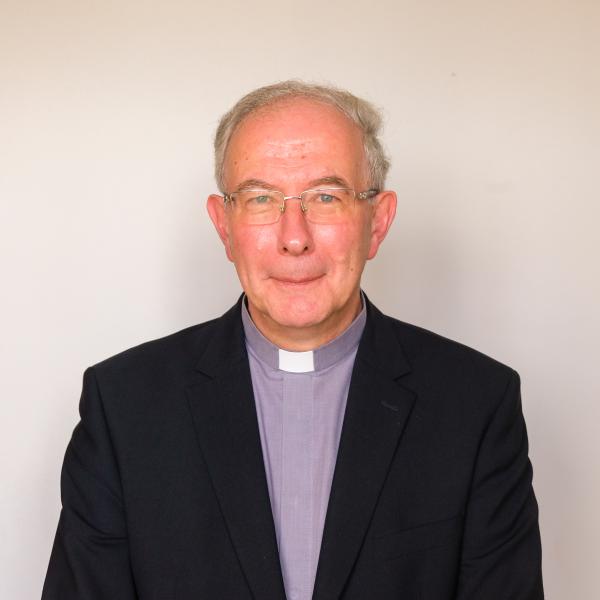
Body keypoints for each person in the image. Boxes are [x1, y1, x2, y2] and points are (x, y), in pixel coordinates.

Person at [42, 81, 543, 599]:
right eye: (261, 199)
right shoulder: (124, 407)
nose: (294, 236)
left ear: (378, 222)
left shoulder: (477, 404)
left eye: (326, 197)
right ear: (224, 227)